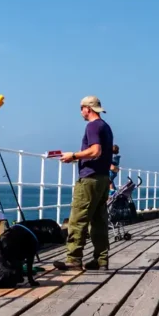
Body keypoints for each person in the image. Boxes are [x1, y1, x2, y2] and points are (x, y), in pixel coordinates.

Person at [59, 95, 114, 271]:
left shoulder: (92, 126)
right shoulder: (105, 126)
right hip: (103, 178)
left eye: (81, 109)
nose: (81, 112)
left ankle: (74, 259)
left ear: (87, 109)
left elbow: (95, 150)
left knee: (78, 219)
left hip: (89, 179)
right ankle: (101, 259)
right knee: (99, 220)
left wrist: (73, 156)